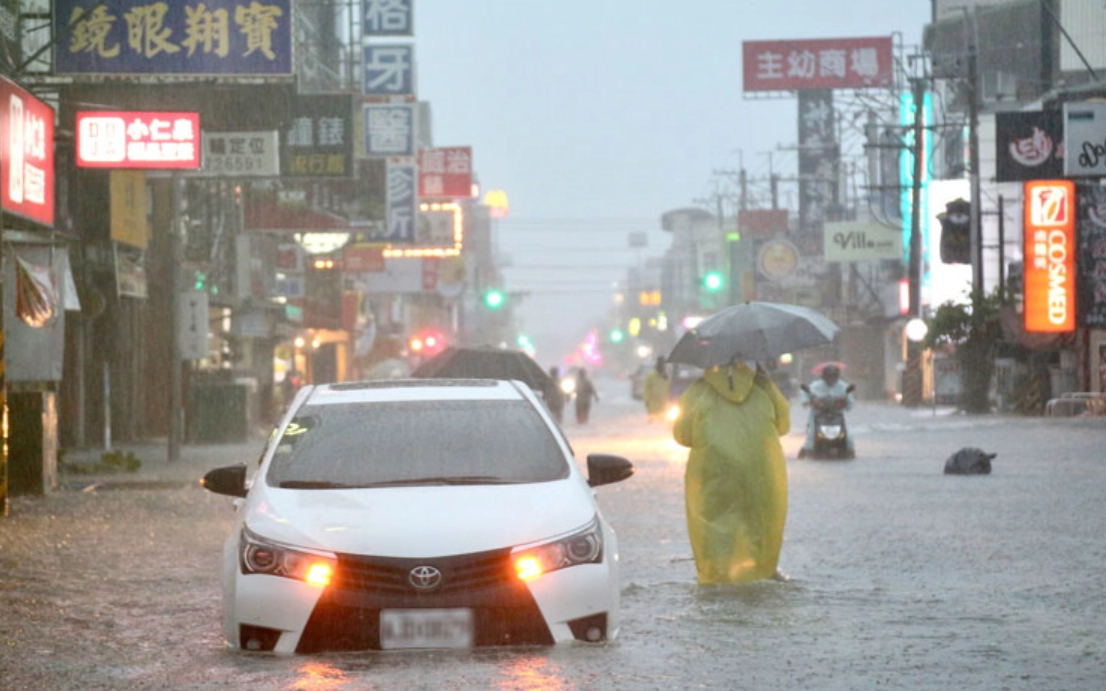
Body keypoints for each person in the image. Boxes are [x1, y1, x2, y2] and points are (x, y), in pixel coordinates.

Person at [673, 361, 790, 585]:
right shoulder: (764, 388)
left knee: (714, 524)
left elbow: (682, 435)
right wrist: (766, 382)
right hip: (760, 470)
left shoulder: (698, 391)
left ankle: (716, 576)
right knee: (759, 522)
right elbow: (782, 425)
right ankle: (761, 571)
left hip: (713, 470)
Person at [800, 364, 855, 458]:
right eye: (829, 376)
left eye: (833, 376)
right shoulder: (815, 386)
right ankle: (806, 452)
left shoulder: (843, 386)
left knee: (849, 438)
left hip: (836, 415)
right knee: (811, 436)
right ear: (824, 376)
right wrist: (811, 402)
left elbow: (850, 403)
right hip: (818, 416)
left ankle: (849, 452)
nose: (831, 378)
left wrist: (843, 402)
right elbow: (805, 395)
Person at [643, 356, 671, 422]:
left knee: (662, 420)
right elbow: (646, 389)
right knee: (653, 420)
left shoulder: (666, 376)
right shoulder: (651, 376)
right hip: (653, 403)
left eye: (663, 364)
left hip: (663, 404)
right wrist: (647, 399)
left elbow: (669, 389)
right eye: (660, 364)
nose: (662, 366)